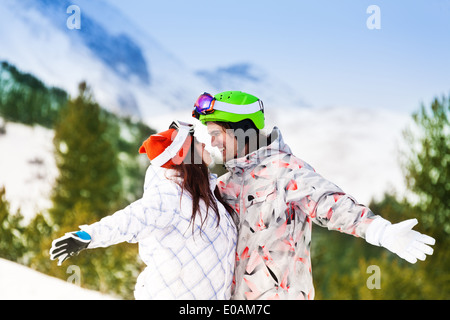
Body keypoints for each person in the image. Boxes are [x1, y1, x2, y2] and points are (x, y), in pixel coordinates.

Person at [192, 91, 436, 300]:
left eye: (216, 133)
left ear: (240, 129)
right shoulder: (222, 186)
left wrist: (380, 231)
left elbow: (329, 202)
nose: (212, 143)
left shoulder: (286, 172)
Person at [49, 120, 238, 300]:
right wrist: (90, 235)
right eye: (196, 141)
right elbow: (133, 218)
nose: (203, 144)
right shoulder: (171, 195)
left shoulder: (207, 194)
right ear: (182, 155)